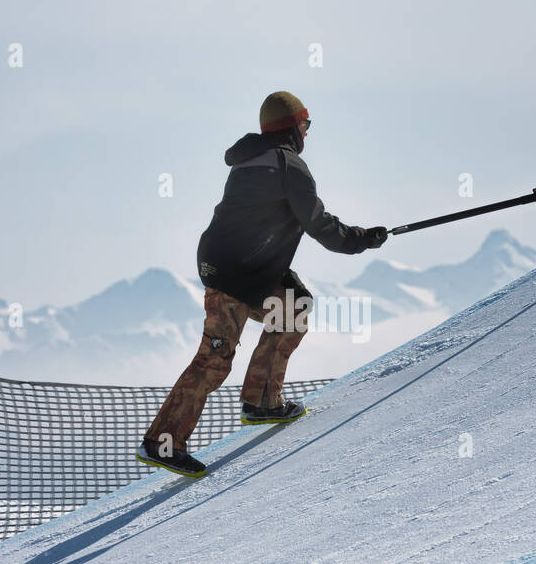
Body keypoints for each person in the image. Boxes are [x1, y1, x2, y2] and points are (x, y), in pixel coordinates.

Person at [137, 91, 388, 477]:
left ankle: (263, 401)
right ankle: (161, 443)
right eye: (306, 124)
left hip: (239, 266)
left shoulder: (250, 161)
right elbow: (319, 224)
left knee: (293, 306)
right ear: (293, 127)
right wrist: (361, 239)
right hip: (234, 273)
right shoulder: (289, 166)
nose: (308, 131)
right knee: (215, 359)